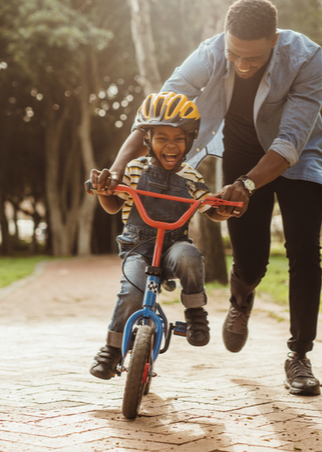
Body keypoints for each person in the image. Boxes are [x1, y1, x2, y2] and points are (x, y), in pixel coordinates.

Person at [95, 0, 322, 395]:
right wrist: (117, 169)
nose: (242, 65)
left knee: (304, 250)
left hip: (298, 155)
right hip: (242, 151)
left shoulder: (306, 58)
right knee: (251, 261)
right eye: (235, 54)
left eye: (253, 59)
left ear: (274, 40)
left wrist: (249, 186)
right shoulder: (209, 53)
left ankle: (299, 356)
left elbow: (290, 139)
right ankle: (241, 300)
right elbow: (157, 113)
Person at [88, 92, 232, 380]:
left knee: (190, 257)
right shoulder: (132, 170)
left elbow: (209, 208)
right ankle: (112, 349)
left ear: (190, 141)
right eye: (162, 137)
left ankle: (195, 313)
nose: (171, 145)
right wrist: (105, 192)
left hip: (173, 246)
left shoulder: (191, 177)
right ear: (147, 141)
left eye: (179, 139)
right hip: (138, 247)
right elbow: (114, 204)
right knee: (131, 291)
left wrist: (225, 209)